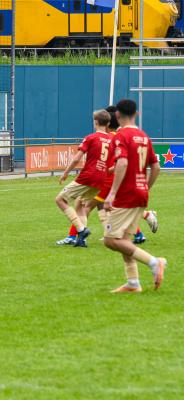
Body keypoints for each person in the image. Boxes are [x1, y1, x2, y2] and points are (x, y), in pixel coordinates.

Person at [57, 106, 157, 245]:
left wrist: (67, 172)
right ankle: (133, 231)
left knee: (89, 206)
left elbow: (118, 162)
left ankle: (78, 234)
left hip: (106, 180)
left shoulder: (106, 138)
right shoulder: (115, 139)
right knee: (95, 205)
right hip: (106, 179)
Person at [102, 99, 166, 293]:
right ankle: (133, 283)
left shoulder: (121, 136)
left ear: (117, 115)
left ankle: (154, 262)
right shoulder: (144, 136)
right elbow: (156, 167)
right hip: (140, 193)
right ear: (136, 114)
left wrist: (111, 193)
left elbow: (121, 163)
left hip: (126, 194)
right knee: (125, 241)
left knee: (110, 240)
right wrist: (146, 186)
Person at [54, 110, 113, 247]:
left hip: (88, 176)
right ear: (108, 123)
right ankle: (81, 240)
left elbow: (76, 159)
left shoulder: (91, 137)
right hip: (101, 180)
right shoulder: (112, 140)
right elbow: (113, 164)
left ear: (96, 122)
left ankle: (81, 230)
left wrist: (66, 173)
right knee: (80, 204)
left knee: (60, 200)